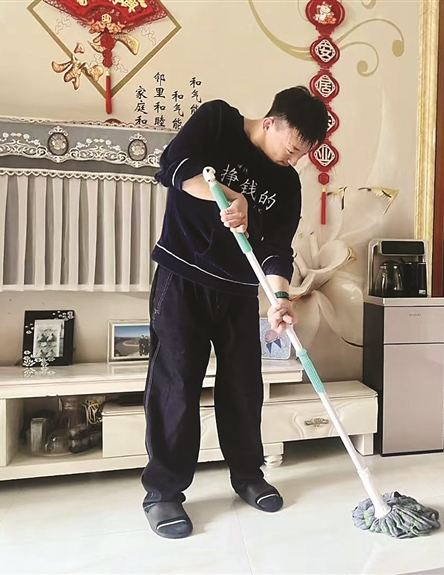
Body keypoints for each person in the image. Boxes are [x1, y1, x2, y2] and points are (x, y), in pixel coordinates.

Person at [141, 86, 328, 539]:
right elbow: (173, 168)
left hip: (240, 292)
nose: (293, 160)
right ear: (271, 123)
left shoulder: (287, 183)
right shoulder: (218, 121)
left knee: (243, 388)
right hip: (182, 277)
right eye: (291, 149)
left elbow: (277, 248)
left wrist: (280, 298)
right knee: (175, 385)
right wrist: (227, 195)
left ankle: (248, 475)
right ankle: (164, 493)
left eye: (302, 155)